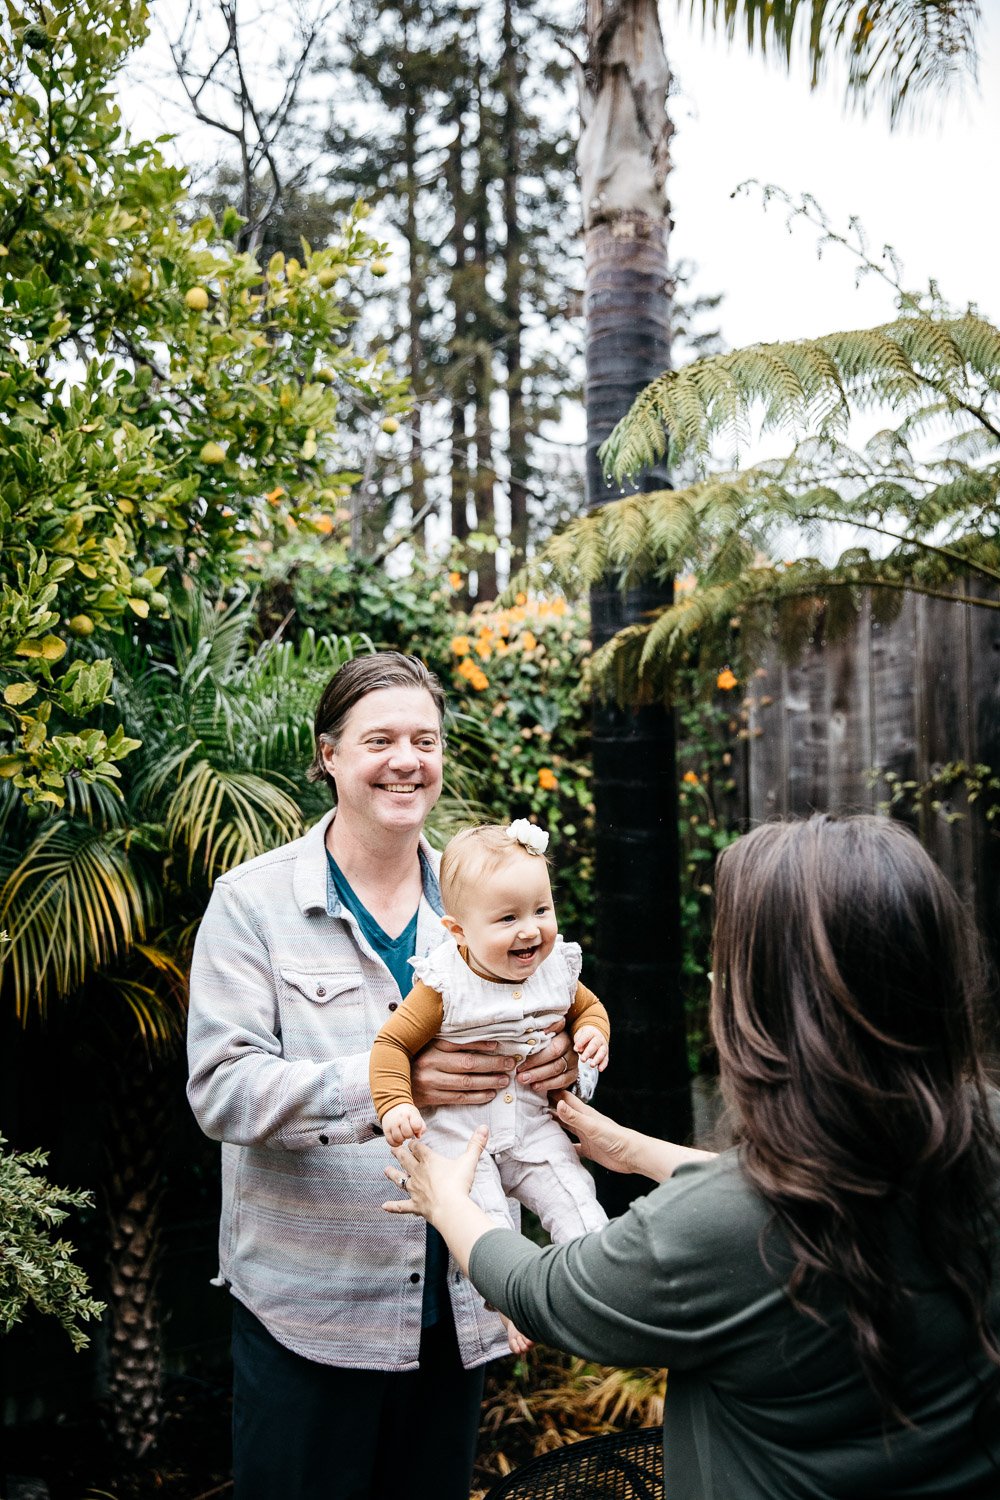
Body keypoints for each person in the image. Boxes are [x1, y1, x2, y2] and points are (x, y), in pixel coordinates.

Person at [384, 815, 1000, 1499]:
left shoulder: (709, 1230)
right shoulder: (981, 1133)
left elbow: (551, 1294)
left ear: (773, 1005)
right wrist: (637, 1150)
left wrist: (448, 1202)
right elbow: (816, 1190)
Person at [186, 651, 585, 1500]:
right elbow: (221, 1089)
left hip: (460, 1301)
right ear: (328, 755)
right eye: (379, 740)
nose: (407, 760)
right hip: (310, 1311)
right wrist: (389, 1085)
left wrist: (564, 1069)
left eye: (425, 740)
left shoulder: (490, 892)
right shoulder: (251, 904)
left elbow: (544, 1052)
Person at [369, 819, 610, 1349]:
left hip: (530, 1124)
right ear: (458, 931)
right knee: (487, 1224)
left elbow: (588, 1008)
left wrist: (591, 1036)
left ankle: (602, 1291)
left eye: (541, 910)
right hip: (464, 1137)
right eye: (507, 918)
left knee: (574, 1195)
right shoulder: (443, 986)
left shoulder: (555, 970)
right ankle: (510, 1309)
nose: (530, 930)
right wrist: (394, 1104)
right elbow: (391, 1046)